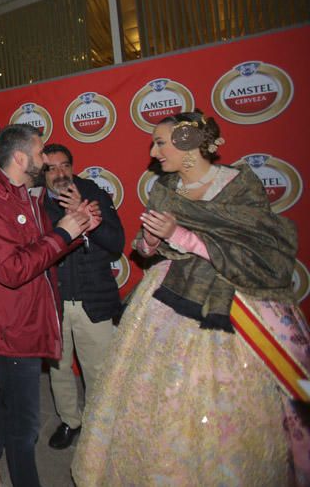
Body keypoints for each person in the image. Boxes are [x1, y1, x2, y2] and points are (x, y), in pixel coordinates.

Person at [71, 111, 310, 485]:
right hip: (169, 294)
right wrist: (151, 240)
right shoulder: (164, 189)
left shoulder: (239, 185)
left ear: (188, 144)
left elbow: (261, 250)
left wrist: (181, 235)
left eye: (161, 142)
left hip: (235, 303)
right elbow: (147, 248)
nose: (153, 151)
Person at [0, 124, 99, 487]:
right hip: (8, 333)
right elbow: (13, 270)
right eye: (41, 153)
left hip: (28, 322)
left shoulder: (26, 196)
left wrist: (77, 230)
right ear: (21, 157)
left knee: (10, 402)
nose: (46, 160)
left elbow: (40, 254)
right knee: (24, 428)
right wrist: (63, 234)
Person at [40, 143, 125, 450]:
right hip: (54, 301)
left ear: (73, 167)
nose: (59, 174)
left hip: (95, 299)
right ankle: (69, 421)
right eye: (51, 168)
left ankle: (99, 428)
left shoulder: (94, 193)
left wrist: (85, 215)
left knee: (98, 371)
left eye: (64, 166)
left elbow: (117, 242)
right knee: (59, 368)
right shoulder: (35, 203)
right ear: (42, 173)